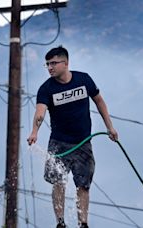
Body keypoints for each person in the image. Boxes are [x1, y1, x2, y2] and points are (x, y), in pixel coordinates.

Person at [27, 46, 118, 228]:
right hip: (59, 144)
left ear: (65, 63)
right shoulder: (46, 89)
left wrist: (110, 127)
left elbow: (99, 101)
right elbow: (40, 113)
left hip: (83, 142)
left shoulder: (83, 80)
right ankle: (60, 222)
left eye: (53, 63)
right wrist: (34, 132)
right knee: (58, 182)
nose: (50, 67)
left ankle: (83, 223)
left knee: (83, 185)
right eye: (47, 64)